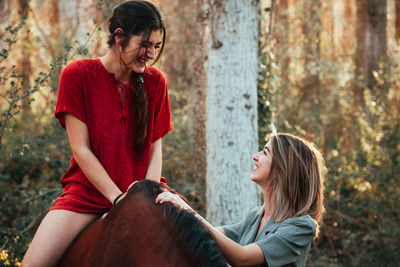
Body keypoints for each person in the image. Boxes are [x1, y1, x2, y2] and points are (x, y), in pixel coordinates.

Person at [22, 1, 172, 266]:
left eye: (156, 47)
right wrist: (118, 199)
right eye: (145, 44)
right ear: (119, 36)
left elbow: (155, 147)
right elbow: (80, 149)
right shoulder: (77, 76)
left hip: (145, 195)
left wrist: (146, 199)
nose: (150, 54)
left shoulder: (156, 82)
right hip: (86, 197)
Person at [156, 133, 325, 267]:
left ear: (283, 169)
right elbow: (210, 233)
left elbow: (241, 258)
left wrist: (187, 210)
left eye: (265, 152)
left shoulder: (301, 227)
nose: (255, 156)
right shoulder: (255, 217)